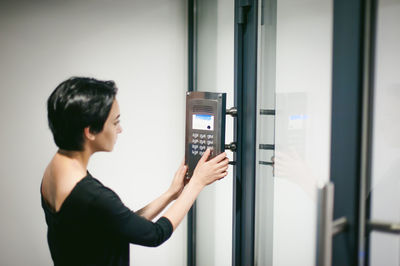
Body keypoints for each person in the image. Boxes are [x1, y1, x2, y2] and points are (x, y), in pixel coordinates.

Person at [40, 77, 229, 266]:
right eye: (115, 122)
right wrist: (197, 183)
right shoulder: (92, 196)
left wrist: (172, 194)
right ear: (90, 132)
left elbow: (120, 223)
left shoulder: (55, 170)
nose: (120, 129)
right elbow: (154, 234)